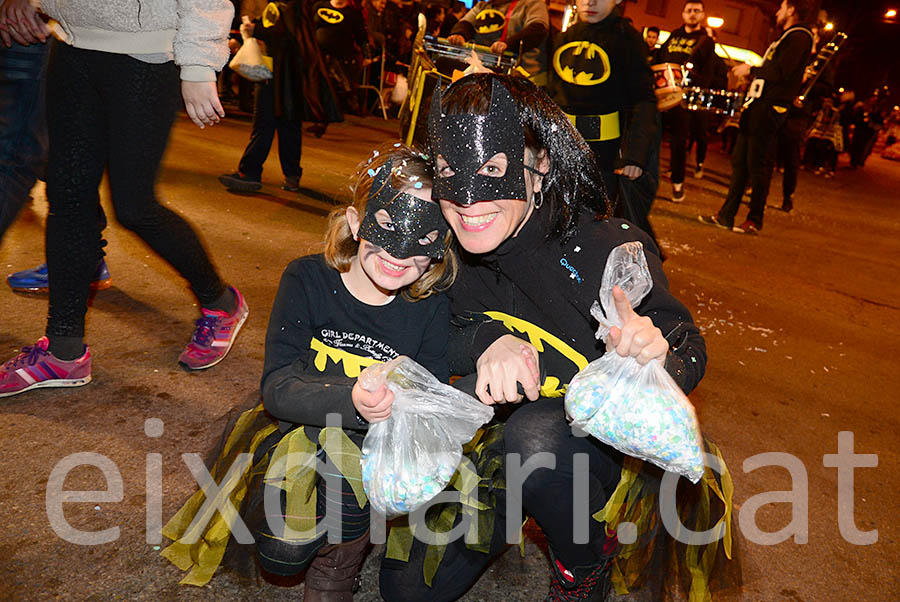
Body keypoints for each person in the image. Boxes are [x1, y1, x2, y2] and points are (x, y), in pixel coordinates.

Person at [380, 74, 731, 602]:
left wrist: (653, 353)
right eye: (453, 174)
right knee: (407, 592)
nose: (470, 202)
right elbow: (417, 336)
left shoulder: (604, 249)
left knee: (537, 441)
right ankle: (515, 511)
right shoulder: (445, 250)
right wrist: (485, 342)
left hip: (595, 453)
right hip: (492, 446)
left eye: (494, 170)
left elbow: (686, 343)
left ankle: (582, 563)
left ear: (540, 166)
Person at [161, 144, 455, 599]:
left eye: (424, 241)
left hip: (375, 446)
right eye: (389, 227)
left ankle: (342, 557)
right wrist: (351, 399)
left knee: (345, 497)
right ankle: (315, 528)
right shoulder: (306, 279)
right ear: (357, 224)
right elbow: (278, 384)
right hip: (300, 425)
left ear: (440, 245)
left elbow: (430, 396)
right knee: (282, 555)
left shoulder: (430, 309)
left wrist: (402, 403)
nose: (401, 255)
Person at [0, 0, 248, 398]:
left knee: (135, 208)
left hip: (146, 58)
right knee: (67, 198)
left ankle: (220, 301)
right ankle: (64, 350)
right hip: (71, 47)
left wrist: (200, 64)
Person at [545, 0, 662, 247]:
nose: (591, 1)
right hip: (562, 150)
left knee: (593, 234)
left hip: (605, 159)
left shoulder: (627, 40)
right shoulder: (566, 37)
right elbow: (552, 93)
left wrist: (634, 155)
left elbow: (644, 100)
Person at [699, 0, 813, 234]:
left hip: (770, 108)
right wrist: (752, 76)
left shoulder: (799, 36)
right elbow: (774, 71)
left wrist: (751, 69)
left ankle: (754, 219)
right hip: (758, 105)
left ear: (791, 9)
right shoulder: (789, 35)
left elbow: (781, 71)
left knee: (758, 165)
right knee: (740, 162)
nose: (778, 12)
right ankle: (726, 215)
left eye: (782, 7)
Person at [219, 1, 342, 193]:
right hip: (291, 77)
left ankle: (249, 173)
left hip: (277, 75)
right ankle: (291, 175)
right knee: (288, 125)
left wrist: (255, 30)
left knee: (266, 124)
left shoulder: (287, 5)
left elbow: (283, 36)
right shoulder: (294, 6)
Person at [654, 0, 716, 200]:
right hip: (662, 97)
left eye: (697, 11)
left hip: (683, 100)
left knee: (678, 143)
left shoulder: (706, 41)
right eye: (689, 10)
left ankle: (678, 183)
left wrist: (691, 78)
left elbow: (708, 74)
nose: (692, 14)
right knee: (652, 139)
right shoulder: (674, 35)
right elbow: (658, 60)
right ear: (682, 14)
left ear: (702, 15)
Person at [446, 0, 549, 83]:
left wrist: (508, 44)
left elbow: (538, 29)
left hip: (521, 77)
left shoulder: (532, 3)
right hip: (484, 73)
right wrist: (460, 34)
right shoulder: (483, 5)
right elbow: (465, 23)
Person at [313, 0, 368, 115]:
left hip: (341, 57)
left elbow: (361, 37)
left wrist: (366, 55)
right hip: (316, 54)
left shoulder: (353, 14)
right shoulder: (319, 6)